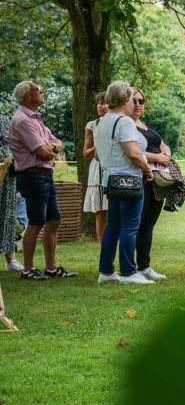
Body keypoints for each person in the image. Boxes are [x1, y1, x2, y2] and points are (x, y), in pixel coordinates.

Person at [9, 81, 77, 280]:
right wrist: (52, 148)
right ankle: (28, 269)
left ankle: (51, 267)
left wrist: (52, 148)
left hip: (45, 175)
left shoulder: (35, 118)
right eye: (38, 89)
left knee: (54, 220)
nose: (42, 91)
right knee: (36, 222)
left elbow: (57, 143)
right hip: (33, 176)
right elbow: (43, 152)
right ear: (27, 96)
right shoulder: (22, 120)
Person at [95, 81, 155, 285]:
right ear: (124, 99)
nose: (133, 103)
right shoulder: (124, 122)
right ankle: (129, 272)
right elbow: (133, 153)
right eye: (131, 99)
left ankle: (106, 271)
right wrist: (147, 169)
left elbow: (97, 155)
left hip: (109, 179)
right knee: (130, 226)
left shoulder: (102, 121)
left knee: (113, 225)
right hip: (128, 179)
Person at [132, 88, 171, 281]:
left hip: (157, 179)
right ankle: (131, 267)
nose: (138, 104)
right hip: (141, 177)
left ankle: (145, 266)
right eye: (135, 100)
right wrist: (157, 157)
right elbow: (132, 151)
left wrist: (166, 155)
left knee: (149, 224)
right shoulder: (127, 125)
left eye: (141, 101)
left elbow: (163, 145)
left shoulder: (146, 125)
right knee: (137, 222)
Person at [82, 92, 110, 239]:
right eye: (98, 103)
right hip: (98, 172)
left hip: (114, 169)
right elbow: (86, 153)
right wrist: (98, 144)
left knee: (114, 210)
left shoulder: (119, 122)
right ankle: (103, 247)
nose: (100, 106)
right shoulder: (92, 125)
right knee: (101, 211)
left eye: (103, 103)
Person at [0, 115, 24, 272]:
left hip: (6, 172)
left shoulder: (3, 119)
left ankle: (11, 259)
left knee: (7, 214)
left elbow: (11, 144)